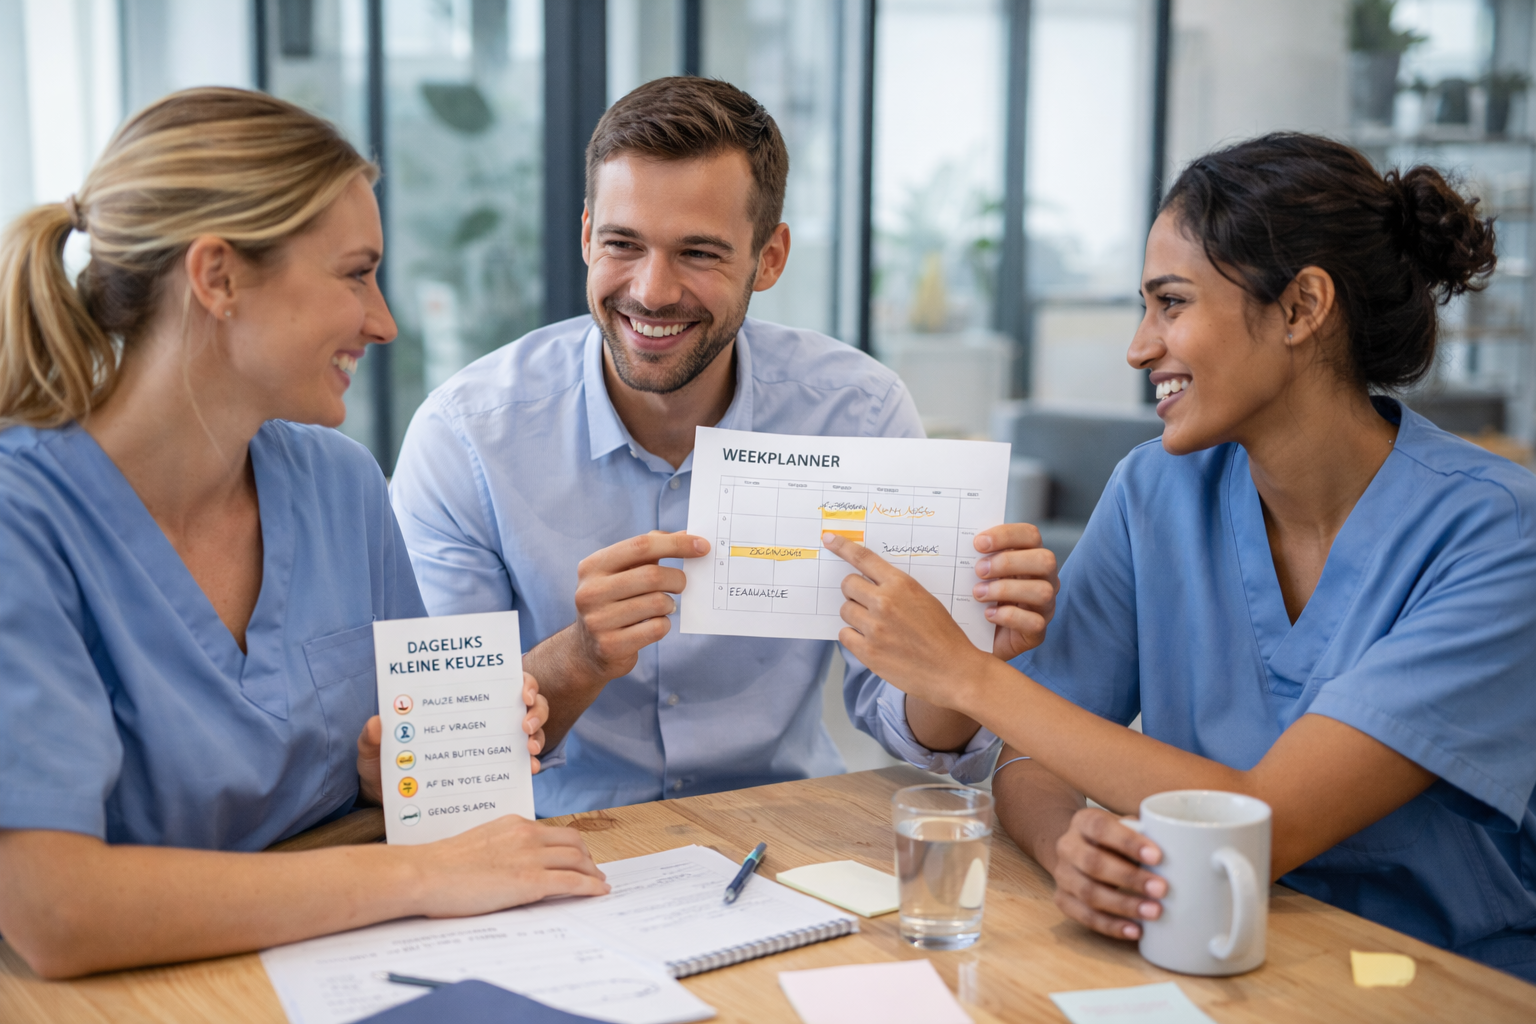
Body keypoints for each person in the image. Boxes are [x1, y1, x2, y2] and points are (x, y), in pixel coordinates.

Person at [820, 133, 1536, 981]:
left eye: (1171, 303)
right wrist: (1068, 847)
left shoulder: (1498, 536)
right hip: (1195, 955)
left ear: (1303, 307)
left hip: (1436, 984)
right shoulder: (1156, 491)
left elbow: (1268, 820)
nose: (1138, 346)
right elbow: (1028, 747)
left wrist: (963, 674)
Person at [0, 88, 607, 980]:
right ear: (218, 278)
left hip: (357, 968)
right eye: (356, 272)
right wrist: (418, 872)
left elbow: (414, 784)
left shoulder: (339, 484)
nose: (385, 320)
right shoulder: (25, 520)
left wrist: (403, 768)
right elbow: (58, 911)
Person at [390, 76, 1055, 815]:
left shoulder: (857, 413)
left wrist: (966, 666)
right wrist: (580, 656)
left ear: (769, 259)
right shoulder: (467, 435)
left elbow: (908, 727)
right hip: (562, 840)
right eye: (622, 244)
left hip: (787, 836)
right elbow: (443, 757)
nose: (652, 290)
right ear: (586, 238)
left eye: (699, 253)